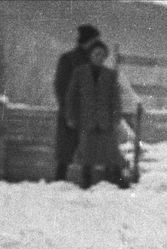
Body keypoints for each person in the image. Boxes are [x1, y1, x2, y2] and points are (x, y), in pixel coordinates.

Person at [65, 39, 129, 189]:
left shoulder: (110, 75)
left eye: (102, 55)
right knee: (87, 152)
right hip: (86, 120)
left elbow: (116, 99)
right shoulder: (80, 73)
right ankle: (86, 181)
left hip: (106, 120)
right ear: (90, 55)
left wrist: (116, 118)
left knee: (111, 152)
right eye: (96, 54)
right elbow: (71, 96)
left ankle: (116, 179)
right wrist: (70, 116)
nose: (99, 57)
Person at [53, 23, 99, 182]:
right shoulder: (68, 59)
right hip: (71, 114)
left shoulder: (94, 62)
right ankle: (59, 187)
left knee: (88, 155)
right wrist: (68, 114)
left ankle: (86, 187)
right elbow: (61, 87)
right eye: (94, 40)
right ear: (88, 41)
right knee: (65, 155)